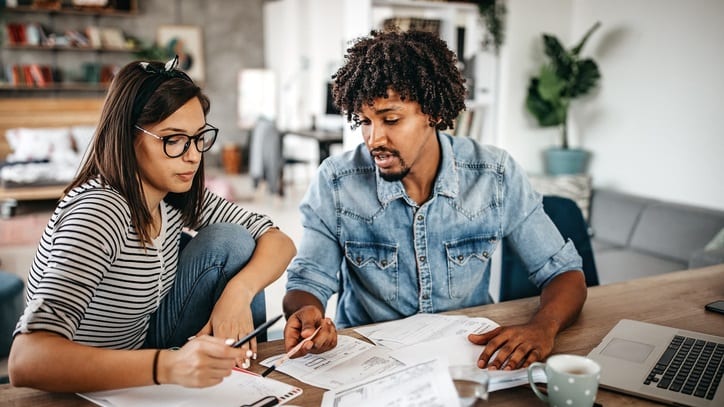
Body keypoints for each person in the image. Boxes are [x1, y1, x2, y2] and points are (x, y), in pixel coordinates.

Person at [281, 30, 587, 371]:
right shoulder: (337, 182)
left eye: (391, 119)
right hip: (370, 364)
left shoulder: (494, 175)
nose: (373, 138)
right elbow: (307, 283)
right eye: (365, 121)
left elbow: (564, 274)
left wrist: (543, 327)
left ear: (434, 113)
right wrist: (307, 314)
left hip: (471, 359)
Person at [8, 56, 296, 392]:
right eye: (173, 140)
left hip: (144, 346)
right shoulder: (100, 211)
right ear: (127, 136)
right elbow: (25, 360)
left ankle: (245, 384)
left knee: (234, 241)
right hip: (88, 379)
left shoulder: (173, 194)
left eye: (199, 137)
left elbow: (279, 240)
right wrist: (169, 365)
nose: (193, 155)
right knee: (230, 242)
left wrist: (238, 293)